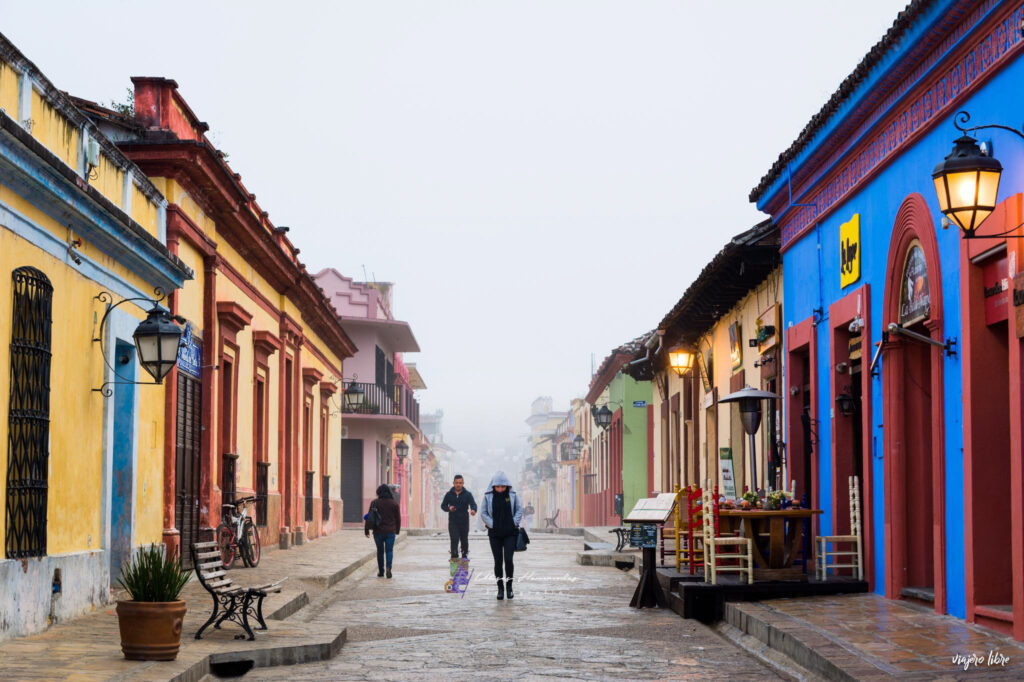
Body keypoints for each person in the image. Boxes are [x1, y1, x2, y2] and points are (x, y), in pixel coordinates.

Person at [480, 470, 523, 600]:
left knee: (508, 560)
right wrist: (492, 524)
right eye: (497, 486)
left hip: (510, 533)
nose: (500, 489)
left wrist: (513, 522)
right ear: (493, 486)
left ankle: (509, 587)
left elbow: (519, 510)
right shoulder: (488, 496)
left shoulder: (513, 495)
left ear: (507, 486)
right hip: (494, 534)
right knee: (498, 562)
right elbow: (483, 513)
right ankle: (500, 588)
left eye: (502, 486)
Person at [365, 484, 401, 578]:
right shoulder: (394, 503)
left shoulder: (375, 502)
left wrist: (366, 530)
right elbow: (398, 519)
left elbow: (369, 517)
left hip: (378, 531)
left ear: (378, 492)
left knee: (380, 551)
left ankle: (381, 571)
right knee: (389, 551)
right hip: (390, 531)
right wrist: (397, 530)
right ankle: (389, 568)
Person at [441, 474, 477, 559]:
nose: (458, 484)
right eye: (456, 482)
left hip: (464, 522)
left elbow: (473, 504)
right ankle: (454, 563)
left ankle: (464, 564)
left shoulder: (468, 494)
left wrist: (473, 510)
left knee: (464, 542)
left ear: (463, 483)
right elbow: (443, 506)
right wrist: (449, 508)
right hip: (453, 522)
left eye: (460, 483)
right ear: (453, 483)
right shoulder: (449, 494)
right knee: (454, 540)